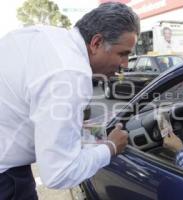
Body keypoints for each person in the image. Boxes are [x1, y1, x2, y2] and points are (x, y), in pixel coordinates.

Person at [0, 2, 140, 199]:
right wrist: (110, 148)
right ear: (96, 43)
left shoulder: (44, 36)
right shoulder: (71, 73)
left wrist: (72, 127)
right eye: (122, 53)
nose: (125, 65)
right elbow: (59, 173)